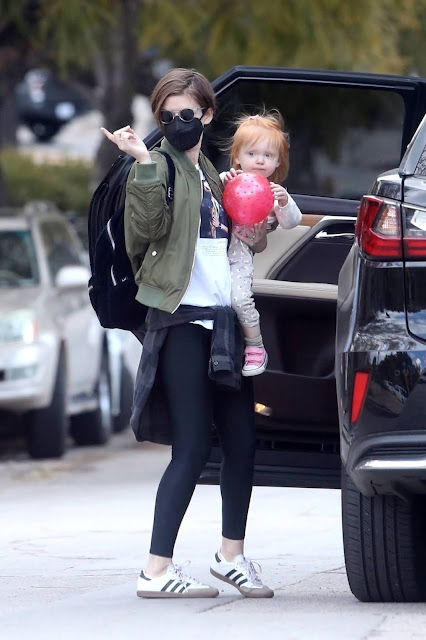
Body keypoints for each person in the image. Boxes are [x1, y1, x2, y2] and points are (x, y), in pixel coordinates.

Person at [100, 68, 273, 599]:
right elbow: (143, 234)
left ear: (208, 115)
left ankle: (231, 556)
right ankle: (155, 571)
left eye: (188, 114)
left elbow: (244, 246)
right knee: (193, 448)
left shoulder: (214, 179)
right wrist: (145, 163)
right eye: (168, 116)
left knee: (242, 443)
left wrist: (266, 205)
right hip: (180, 324)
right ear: (160, 120)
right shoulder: (158, 169)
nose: (179, 123)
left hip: (222, 324)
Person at [222, 111, 302, 376]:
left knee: (240, 299)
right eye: (252, 153)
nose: (260, 160)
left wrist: (284, 201)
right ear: (238, 156)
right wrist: (221, 182)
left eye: (268, 156)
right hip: (212, 250)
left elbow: (292, 221)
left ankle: (255, 346)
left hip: (239, 251)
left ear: (278, 161)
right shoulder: (228, 181)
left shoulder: (273, 192)